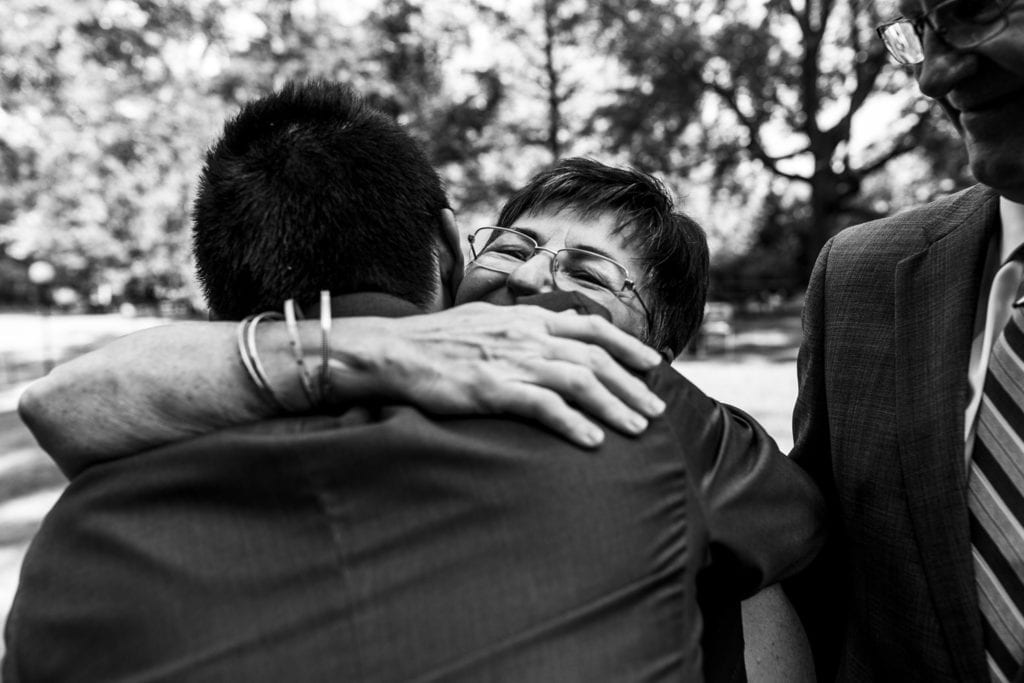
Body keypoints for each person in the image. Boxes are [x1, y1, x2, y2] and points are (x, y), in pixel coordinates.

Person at [6, 82, 823, 681]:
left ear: (665, 346)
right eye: (512, 247)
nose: (535, 285)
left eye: (588, 275)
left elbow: (794, 523)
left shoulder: (654, 426)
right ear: (454, 251)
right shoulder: (181, 418)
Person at [784, 2, 1024, 681]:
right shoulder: (857, 278)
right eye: (920, 31)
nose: (935, 74)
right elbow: (810, 568)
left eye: (973, 10)